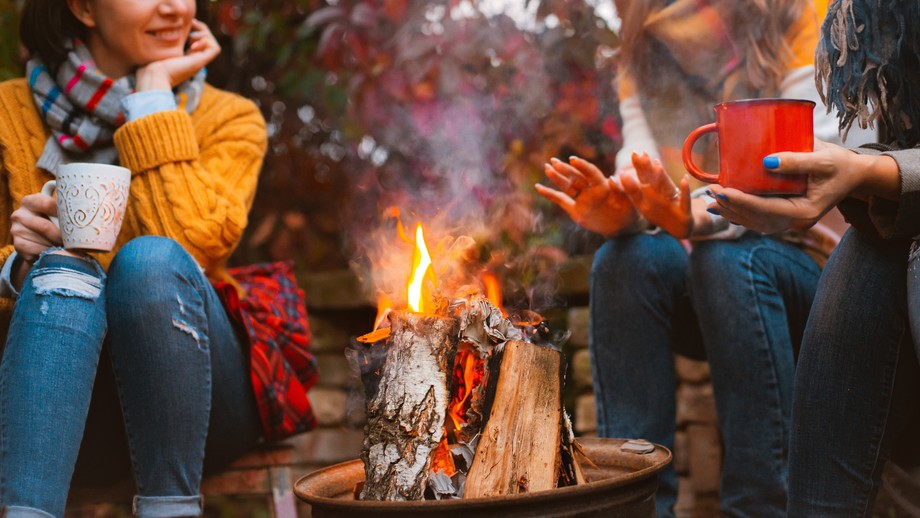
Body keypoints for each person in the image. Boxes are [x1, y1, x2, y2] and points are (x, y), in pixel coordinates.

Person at [536, 0, 872, 515]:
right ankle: (632, 503)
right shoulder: (643, 46)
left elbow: (816, 168)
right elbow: (644, 175)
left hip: (818, 277)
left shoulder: (805, 16)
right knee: (624, 258)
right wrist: (623, 214)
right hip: (709, 280)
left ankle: (762, 506)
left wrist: (693, 219)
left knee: (730, 260)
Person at [0, 0, 317, 516]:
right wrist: (15, 266)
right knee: (62, 272)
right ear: (82, 8)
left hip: (198, 403)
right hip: (57, 404)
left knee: (148, 262)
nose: (174, 6)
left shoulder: (231, 119)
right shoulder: (7, 112)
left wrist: (150, 100)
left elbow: (188, 251)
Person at [705, 0, 920, 514]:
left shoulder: (820, 23)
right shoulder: (868, 17)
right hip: (886, 226)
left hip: (818, 245)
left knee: (737, 262)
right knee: (629, 258)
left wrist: (868, 174)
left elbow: (830, 148)